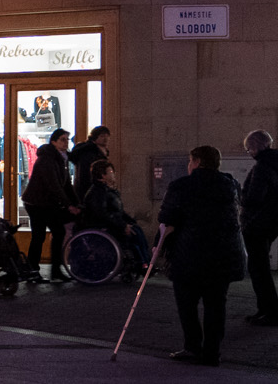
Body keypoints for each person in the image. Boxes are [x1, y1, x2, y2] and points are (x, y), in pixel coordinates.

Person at [160, 145, 247, 365]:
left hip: (190, 254)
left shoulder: (181, 186)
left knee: (187, 303)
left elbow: (168, 219)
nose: (189, 165)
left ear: (197, 161)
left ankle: (192, 346)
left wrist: (159, 247)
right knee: (216, 305)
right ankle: (212, 352)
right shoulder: (231, 185)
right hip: (224, 255)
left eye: (190, 161)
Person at [22, 127, 81, 283]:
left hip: (47, 203)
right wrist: (69, 205)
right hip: (37, 203)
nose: (65, 142)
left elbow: (66, 184)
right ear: (53, 141)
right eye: (62, 139)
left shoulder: (62, 158)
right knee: (39, 235)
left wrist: (77, 203)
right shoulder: (47, 159)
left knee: (58, 232)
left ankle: (55, 270)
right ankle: (33, 270)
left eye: (67, 140)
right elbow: (54, 185)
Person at [78, 159, 150, 271]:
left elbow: (118, 211)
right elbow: (102, 214)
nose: (113, 174)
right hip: (103, 227)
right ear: (103, 175)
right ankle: (143, 263)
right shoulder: (97, 192)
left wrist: (129, 221)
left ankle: (146, 262)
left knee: (137, 230)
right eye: (111, 172)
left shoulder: (107, 190)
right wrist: (123, 226)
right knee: (135, 233)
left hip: (112, 224)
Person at [242, 129, 278, 326]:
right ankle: (267, 309)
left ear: (256, 147)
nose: (249, 153)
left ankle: (268, 311)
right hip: (272, 223)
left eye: (249, 149)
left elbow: (254, 198)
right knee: (262, 269)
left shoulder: (262, 167)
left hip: (256, 223)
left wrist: (241, 198)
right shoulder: (275, 163)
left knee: (258, 270)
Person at [69, 126, 112, 196]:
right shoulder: (89, 152)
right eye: (102, 136)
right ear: (95, 138)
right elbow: (85, 173)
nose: (105, 138)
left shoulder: (103, 151)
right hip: (89, 188)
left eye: (107, 136)